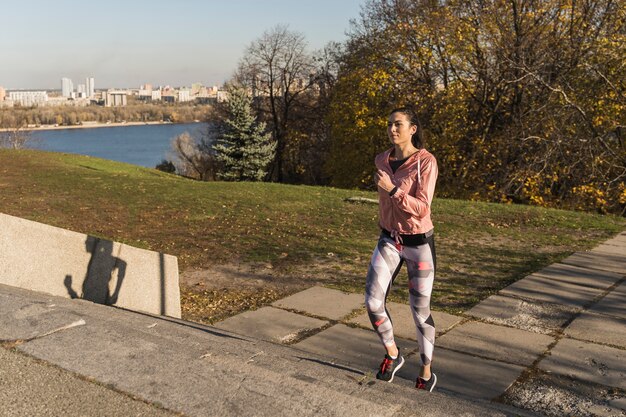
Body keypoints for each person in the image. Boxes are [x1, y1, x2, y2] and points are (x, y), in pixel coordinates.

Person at [365, 106, 438, 392]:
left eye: (398, 124)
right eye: (389, 125)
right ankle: (393, 355)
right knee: (372, 301)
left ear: (412, 129)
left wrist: (393, 189)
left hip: (419, 242)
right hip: (389, 240)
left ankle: (426, 371)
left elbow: (422, 209)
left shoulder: (425, 162)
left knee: (419, 311)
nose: (392, 129)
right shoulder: (381, 160)